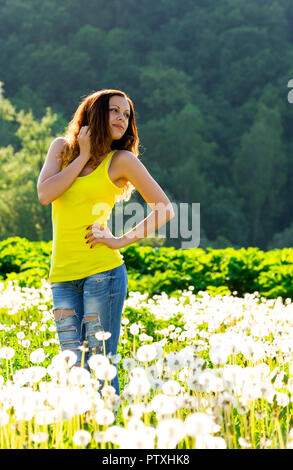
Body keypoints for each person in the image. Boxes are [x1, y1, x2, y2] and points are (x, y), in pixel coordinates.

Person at [37, 88, 174, 395]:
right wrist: (83, 155)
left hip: (103, 275)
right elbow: (46, 194)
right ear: (95, 113)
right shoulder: (61, 149)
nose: (122, 119)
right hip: (61, 278)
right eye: (115, 111)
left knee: (100, 366)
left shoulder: (122, 160)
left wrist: (119, 240)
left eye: (127, 115)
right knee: (73, 369)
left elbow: (164, 208)